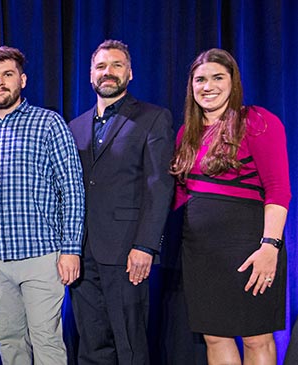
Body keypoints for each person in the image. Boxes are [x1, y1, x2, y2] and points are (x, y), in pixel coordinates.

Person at [170, 48, 290, 365]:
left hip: (250, 247)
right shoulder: (186, 133)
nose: (208, 86)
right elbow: (181, 196)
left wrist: (270, 247)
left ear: (233, 82)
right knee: (215, 335)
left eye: (217, 77)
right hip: (200, 252)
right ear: (191, 86)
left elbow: (279, 189)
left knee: (256, 337)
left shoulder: (259, 121)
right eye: (200, 79)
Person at [0, 46, 84, 364]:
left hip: (41, 255)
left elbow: (72, 189)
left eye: (7, 75)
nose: (0, 82)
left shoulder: (48, 124)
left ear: (23, 79)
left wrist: (71, 249)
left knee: (46, 340)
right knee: (9, 342)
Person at [67, 39, 174, 364]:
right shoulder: (74, 126)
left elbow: (159, 186)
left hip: (128, 253)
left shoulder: (153, 118)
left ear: (130, 73)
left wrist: (146, 246)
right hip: (83, 255)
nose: (108, 73)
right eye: (101, 66)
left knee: (130, 344)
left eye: (116, 66)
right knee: (91, 343)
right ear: (90, 75)